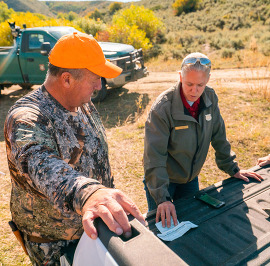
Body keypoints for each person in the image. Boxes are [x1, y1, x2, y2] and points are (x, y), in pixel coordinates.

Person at [4, 32, 145, 265]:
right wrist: (90, 193)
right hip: (56, 247)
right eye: (94, 79)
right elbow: (43, 166)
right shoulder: (27, 118)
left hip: (92, 231)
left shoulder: (83, 104)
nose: (99, 86)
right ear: (67, 79)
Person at [143, 52, 263, 228]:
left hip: (190, 179)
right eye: (189, 84)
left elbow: (219, 135)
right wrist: (162, 198)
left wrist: (233, 168)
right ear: (180, 77)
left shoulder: (210, 98)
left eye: (200, 84)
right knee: (164, 228)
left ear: (208, 80)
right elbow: (154, 156)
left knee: (193, 223)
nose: (194, 90)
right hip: (163, 181)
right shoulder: (162, 108)